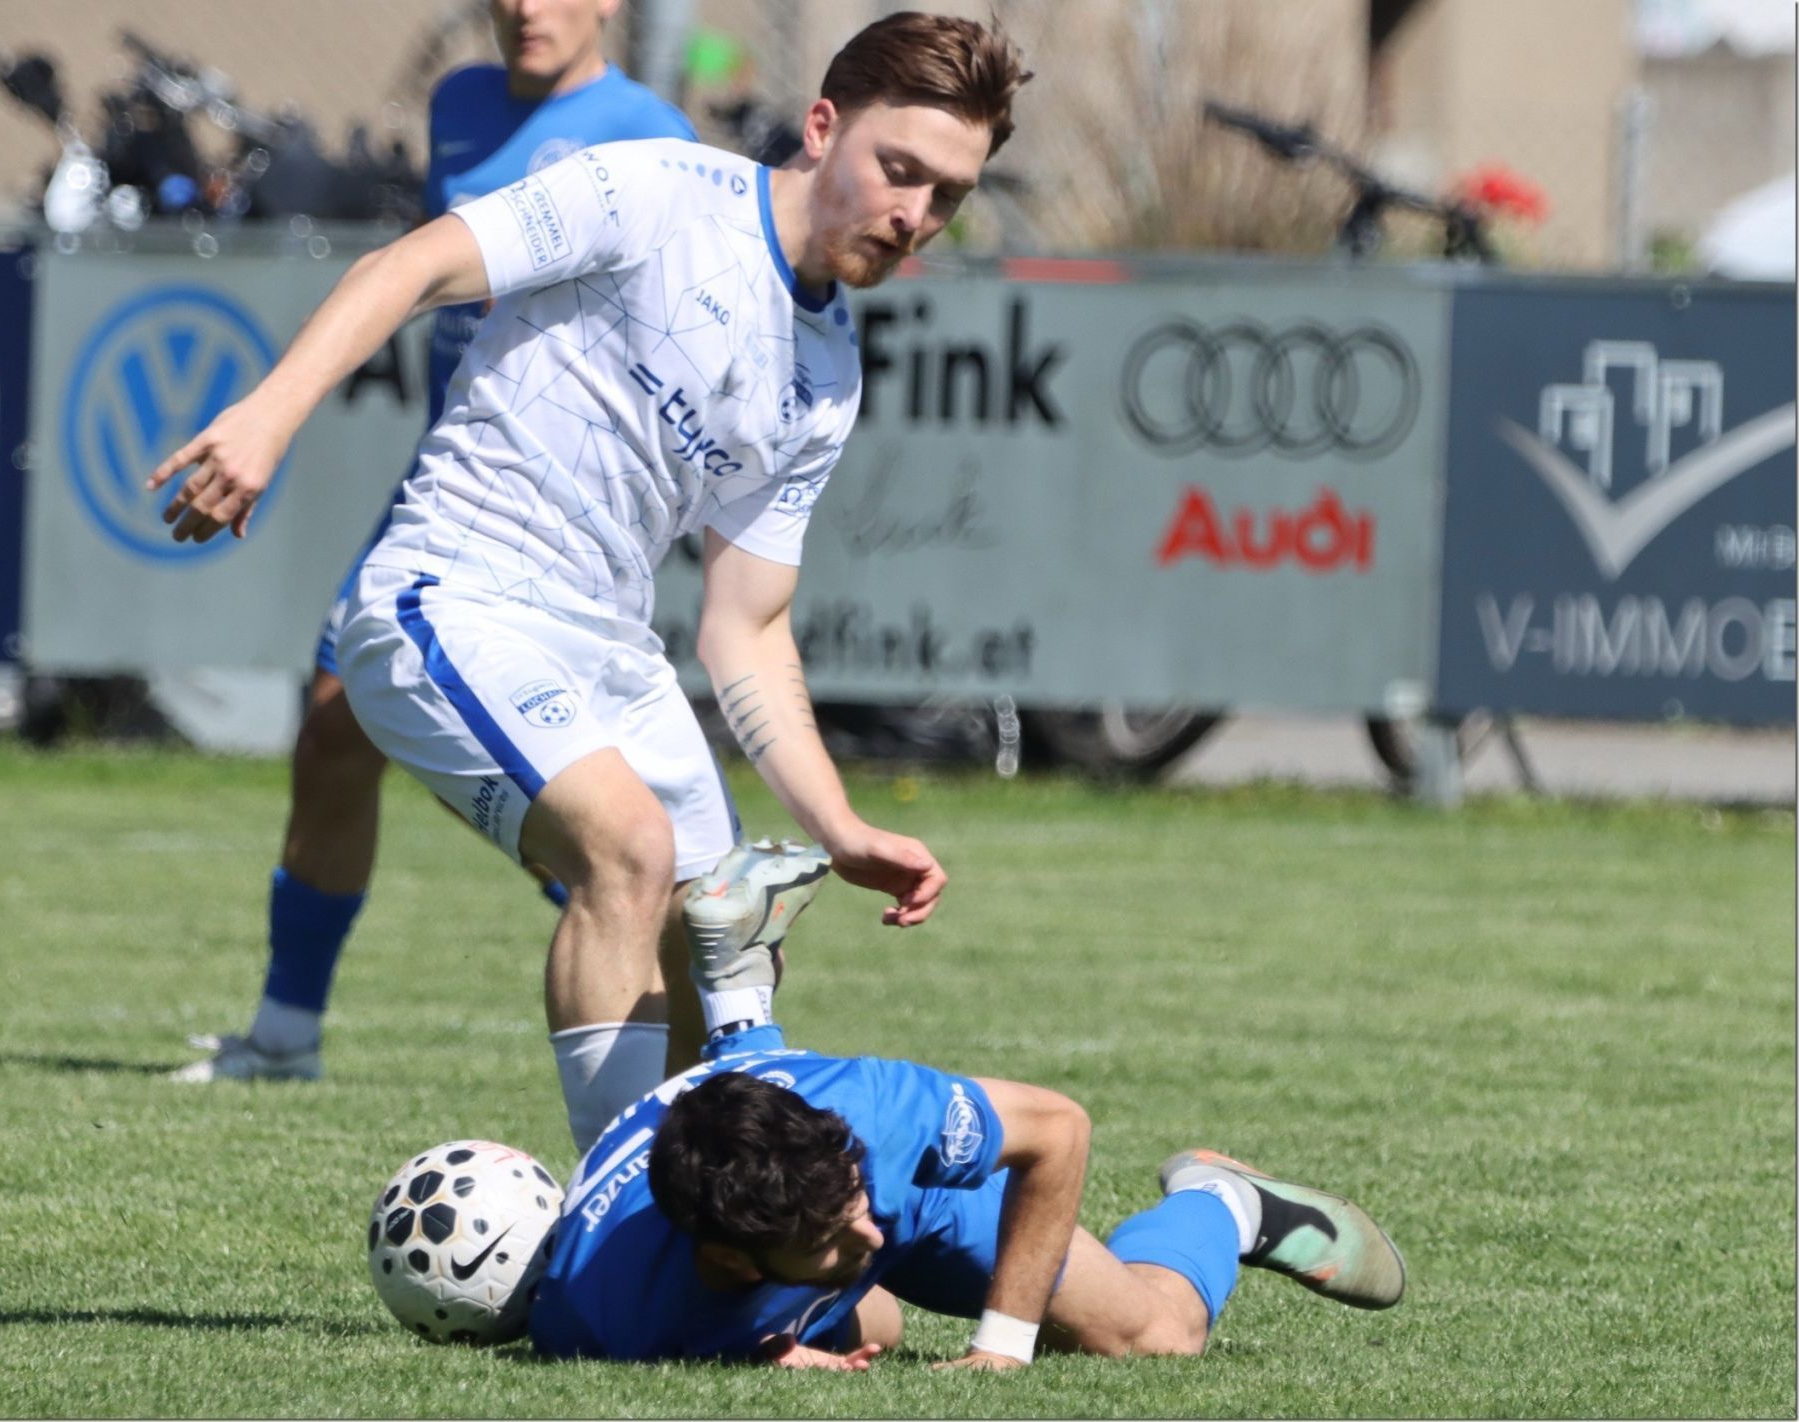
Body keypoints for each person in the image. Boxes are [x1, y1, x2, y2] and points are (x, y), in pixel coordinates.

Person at [147, 9, 1018, 1147]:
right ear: (822, 127)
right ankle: (615, 1234)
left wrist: (839, 824)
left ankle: (724, 1247)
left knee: (728, 936)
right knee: (628, 850)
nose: (914, 215)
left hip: (606, 644)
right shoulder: (658, 190)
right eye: (898, 170)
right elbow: (411, 265)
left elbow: (746, 631)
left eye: (945, 196)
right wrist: (266, 419)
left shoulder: (827, 374)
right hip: (452, 593)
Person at [174, 0, 701, 1086]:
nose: (525, 10)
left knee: (596, 830)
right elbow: (434, 272)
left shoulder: (651, 132)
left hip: (558, 516)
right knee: (331, 733)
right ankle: (282, 1036)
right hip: (449, 478)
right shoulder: (459, 102)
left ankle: (691, 1023)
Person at [527, 917, 1407, 1366]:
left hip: (913, 1188)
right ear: (729, 1263)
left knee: (1154, 1338)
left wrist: (1002, 1346)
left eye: (850, 1207)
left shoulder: (878, 1126)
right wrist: (772, 1355)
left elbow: (1058, 1129)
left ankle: (1222, 1200)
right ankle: (738, 983)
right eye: (832, 1237)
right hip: (760, 1216)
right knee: (884, 1324)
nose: (864, 1234)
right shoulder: (596, 1321)